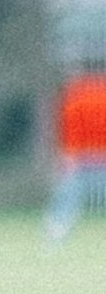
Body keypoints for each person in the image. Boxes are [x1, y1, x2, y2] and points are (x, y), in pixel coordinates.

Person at [48, 64, 106, 242]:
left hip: (82, 155)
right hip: (82, 156)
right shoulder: (75, 94)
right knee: (68, 195)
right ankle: (56, 231)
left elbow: (70, 126)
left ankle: (55, 233)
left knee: (68, 194)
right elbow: (70, 126)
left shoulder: (74, 94)